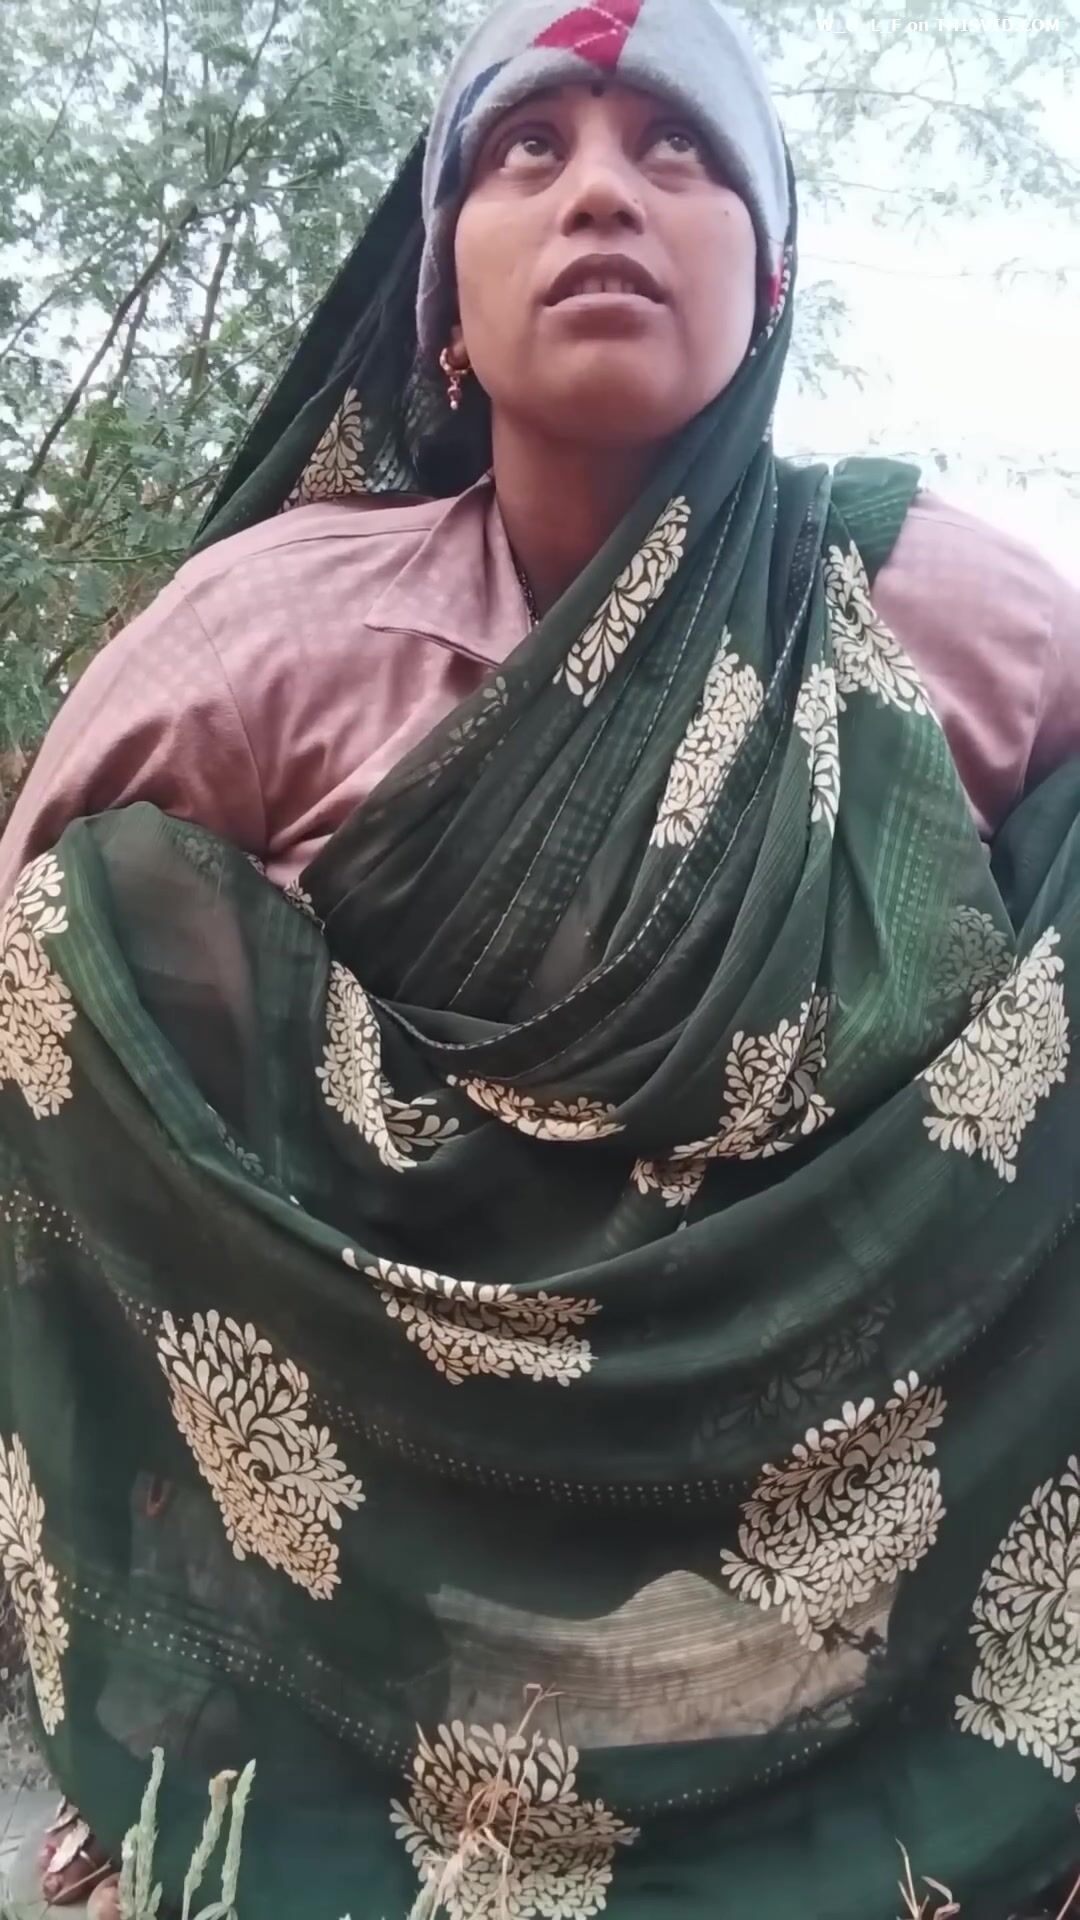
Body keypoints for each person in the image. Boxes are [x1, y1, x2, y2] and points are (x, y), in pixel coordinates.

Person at [0, 0, 1078, 1915]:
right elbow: (51, 1026)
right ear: (444, 296)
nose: (602, 195)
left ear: (770, 277)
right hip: (382, 1617)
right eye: (530, 150)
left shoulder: (948, 615)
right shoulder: (266, 643)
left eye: (678, 150)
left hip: (838, 1601)